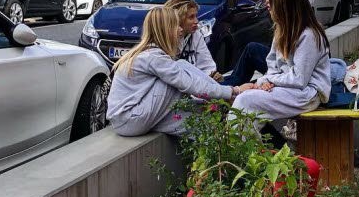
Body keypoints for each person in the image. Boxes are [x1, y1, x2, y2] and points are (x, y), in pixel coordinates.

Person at [106, 7, 252, 137]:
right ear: (165, 29)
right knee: (176, 77)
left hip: (130, 119)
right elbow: (189, 84)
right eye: (176, 25)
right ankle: (224, 101)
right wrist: (233, 90)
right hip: (130, 120)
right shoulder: (152, 57)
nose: (181, 29)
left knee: (181, 68)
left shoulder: (150, 54)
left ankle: (215, 112)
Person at [231, 0, 331, 135]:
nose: (267, 5)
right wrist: (265, 81)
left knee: (246, 101)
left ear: (286, 8)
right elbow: (272, 65)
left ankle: (236, 150)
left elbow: (299, 79)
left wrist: (269, 80)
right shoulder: (282, 30)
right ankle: (247, 151)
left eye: (272, 2)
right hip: (288, 88)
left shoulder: (309, 35)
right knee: (245, 100)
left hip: (307, 94)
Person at [222, 0, 300, 86]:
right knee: (252, 48)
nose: (266, 1)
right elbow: (273, 62)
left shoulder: (304, 32)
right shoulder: (282, 24)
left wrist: (267, 81)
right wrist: (265, 80)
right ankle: (227, 85)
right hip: (281, 77)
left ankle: (227, 87)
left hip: (292, 84)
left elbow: (297, 77)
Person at [164, 0, 223, 82]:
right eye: (191, 17)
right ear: (177, 19)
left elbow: (207, 65)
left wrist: (213, 75)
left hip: (196, 86)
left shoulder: (196, 34)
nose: (196, 21)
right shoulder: (162, 39)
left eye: (196, 16)